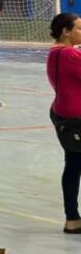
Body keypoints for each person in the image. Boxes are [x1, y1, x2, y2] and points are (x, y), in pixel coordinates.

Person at [47, 13, 81, 234]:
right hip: (75, 118)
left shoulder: (56, 52)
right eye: (79, 28)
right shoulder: (69, 54)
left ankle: (72, 217)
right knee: (74, 166)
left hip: (61, 112)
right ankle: (72, 218)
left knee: (73, 165)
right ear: (65, 32)